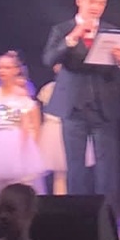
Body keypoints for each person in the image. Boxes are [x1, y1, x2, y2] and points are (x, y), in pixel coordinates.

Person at [43, 0, 120, 203]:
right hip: (73, 107)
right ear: (79, 1)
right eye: (92, 2)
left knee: (107, 170)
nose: (96, 7)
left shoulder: (112, 31)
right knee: (76, 168)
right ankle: (78, 217)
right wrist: (73, 37)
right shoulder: (63, 29)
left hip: (104, 107)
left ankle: (107, 216)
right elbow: (49, 59)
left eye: (101, 3)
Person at [0, 52, 43, 193]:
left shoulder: (21, 94)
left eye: (7, 68)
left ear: (16, 70)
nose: (1, 71)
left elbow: (28, 124)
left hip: (15, 140)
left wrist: (27, 148)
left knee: (19, 185)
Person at [37, 68, 69, 196]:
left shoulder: (76, 87)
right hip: (51, 130)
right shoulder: (48, 88)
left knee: (64, 173)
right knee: (57, 174)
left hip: (67, 128)